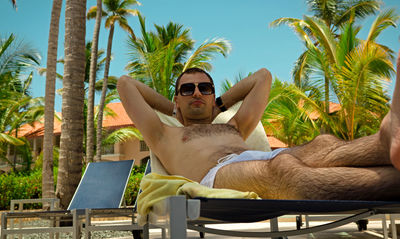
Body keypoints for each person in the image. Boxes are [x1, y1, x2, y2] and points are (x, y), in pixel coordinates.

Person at [117, 51, 400, 201]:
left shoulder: (235, 126)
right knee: (282, 171)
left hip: (266, 159)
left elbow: (263, 77)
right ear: (177, 97)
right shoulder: (164, 134)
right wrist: (174, 110)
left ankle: (388, 139)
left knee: (322, 145)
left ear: (212, 95)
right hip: (218, 174)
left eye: (204, 88)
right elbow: (125, 84)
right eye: (187, 89)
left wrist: (220, 105)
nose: (197, 93)